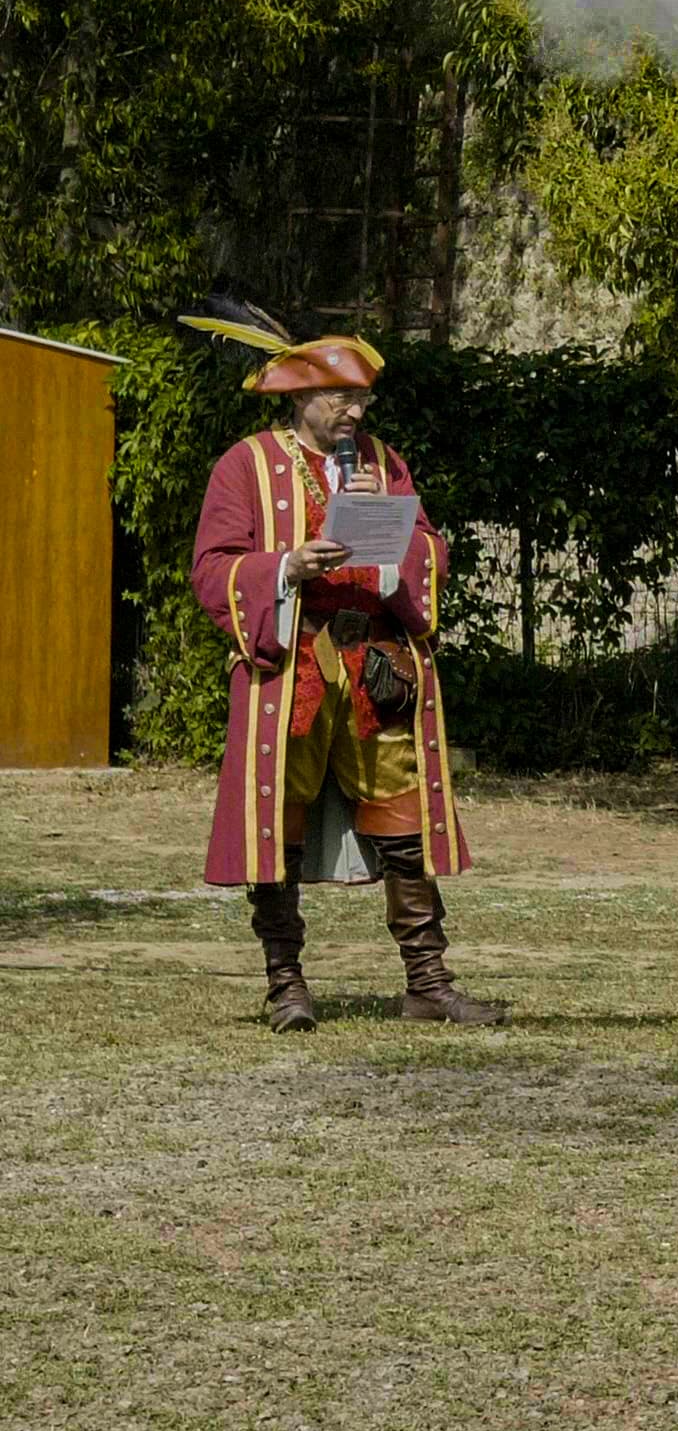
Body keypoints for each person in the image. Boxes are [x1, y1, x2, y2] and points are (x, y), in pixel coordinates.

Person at [179, 314, 501, 1030]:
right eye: (340, 397)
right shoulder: (246, 464)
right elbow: (212, 567)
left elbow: (429, 549)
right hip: (291, 667)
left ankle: (428, 984)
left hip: (376, 664)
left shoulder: (383, 462)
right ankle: (286, 986)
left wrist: (389, 549)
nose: (354, 412)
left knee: (404, 815)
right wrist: (287, 566)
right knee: (279, 821)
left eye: (362, 398)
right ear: (300, 397)